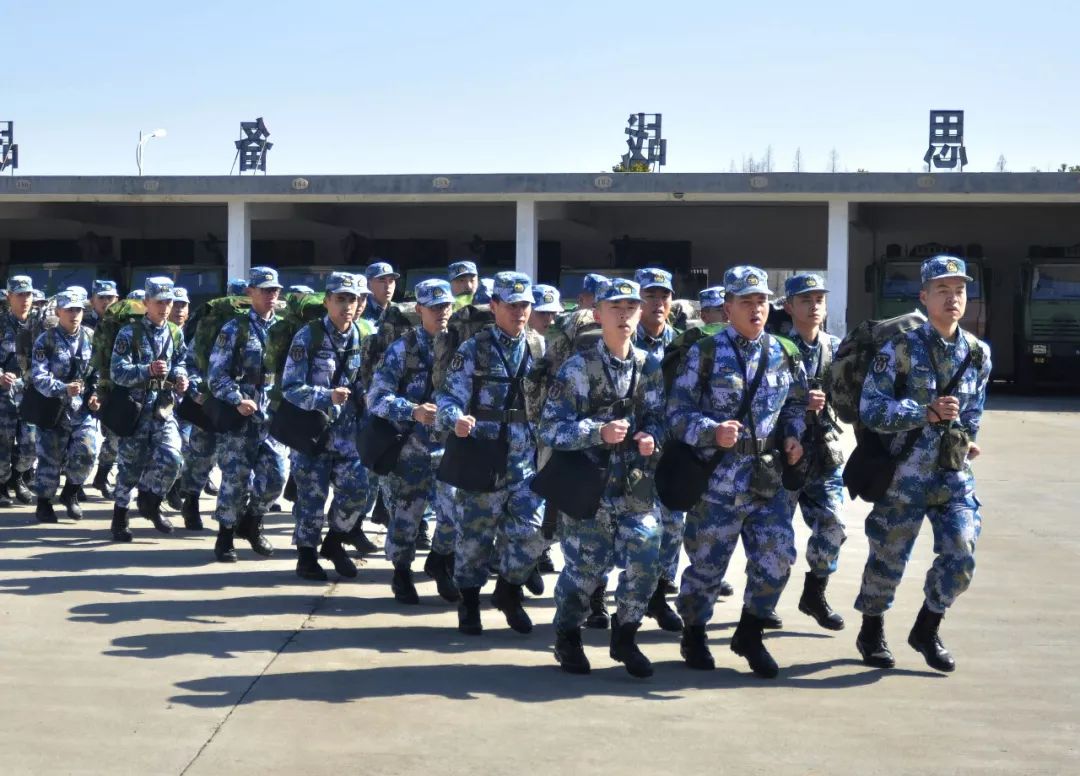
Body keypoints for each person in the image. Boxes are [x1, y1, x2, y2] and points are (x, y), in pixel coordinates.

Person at [667, 265, 808, 678]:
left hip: (767, 479)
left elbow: (795, 404)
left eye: (762, 301)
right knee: (707, 567)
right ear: (727, 307)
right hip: (717, 482)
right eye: (746, 301)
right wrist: (711, 431)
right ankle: (694, 631)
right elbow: (676, 413)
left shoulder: (782, 351)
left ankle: (749, 633)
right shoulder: (706, 352)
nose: (755, 309)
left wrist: (794, 435)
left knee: (777, 559)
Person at [854, 255, 991, 673]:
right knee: (888, 557)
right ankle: (872, 628)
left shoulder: (978, 353)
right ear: (924, 296)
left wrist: (967, 441)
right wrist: (922, 413)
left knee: (962, 550)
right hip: (903, 476)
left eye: (960, 290)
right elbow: (871, 409)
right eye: (943, 291)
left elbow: (972, 413)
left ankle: (928, 626)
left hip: (951, 476)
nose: (953, 298)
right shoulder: (900, 348)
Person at [541, 278, 666, 677]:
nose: (625, 315)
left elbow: (660, 419)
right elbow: (551, 428)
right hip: (588, 486)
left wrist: (652, 437)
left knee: (647, 558)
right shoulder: (579, 368)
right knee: (585, 571)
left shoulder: (649, 365)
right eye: (616, 308)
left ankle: (625, 635)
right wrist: (598, 432)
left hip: (633, 486)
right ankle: (567, 636)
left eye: (632, 307)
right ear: (598, 315)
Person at [436, 271, 547, 636]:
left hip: (525, 461)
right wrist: (456, 419)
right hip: (481, 456)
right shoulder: (475, 348)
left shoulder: (539, 347)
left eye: (525, 305)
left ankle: (508, 590)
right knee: (475, 539)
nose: (519, 312)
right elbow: (449, 396)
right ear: (494, 306)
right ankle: (469, 601)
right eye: (511, 305)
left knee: (534, 532)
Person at [367, 278, 459, 603]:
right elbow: (376, 398)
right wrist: (412, 410)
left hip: (448, 450)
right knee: (406, 519)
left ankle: (439, 561)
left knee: (454, 513)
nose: (441, 312)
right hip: (409, 451)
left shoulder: (460, 348)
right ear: (419, 309)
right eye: (434, 307)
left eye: (446, 305)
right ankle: (402, 573)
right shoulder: (402, 349)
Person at [281, 271, 373, 580]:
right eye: (340, 299)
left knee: (358, 492)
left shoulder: (364, 334)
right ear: (327, 301)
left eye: (353, 299)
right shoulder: (309, 337)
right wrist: (326, 396)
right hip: (313, 434)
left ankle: (334, 542)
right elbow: (290, 387)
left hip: (350, 436)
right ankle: (306, 557)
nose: (348, 305)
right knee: (311, 500)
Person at [778, 274, 847, 630]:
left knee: (834, 524)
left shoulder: (835, 348)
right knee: (775, 537)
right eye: (806, 299)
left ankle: (814, 593)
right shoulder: (775, 348)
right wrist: (798, 402)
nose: (815, 305)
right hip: (783, 456)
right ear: (789, 306)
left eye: (819, 298)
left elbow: (850, 398)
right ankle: (764, 602)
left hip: (824, 454)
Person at [208, 266, 287, 563]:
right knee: (235, 480)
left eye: (275, 290)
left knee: (277, 476)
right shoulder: (234, 329)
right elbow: (216, 376)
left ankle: (252, 523)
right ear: (250, 292)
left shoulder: (282, 328)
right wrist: (237, 398)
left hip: (271, 417)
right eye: (265, 290)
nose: (271, 295)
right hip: (241, 418)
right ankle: (225, 536)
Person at [109, 277, 189, 541]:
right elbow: (117, 371)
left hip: (163, 409)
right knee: (130, 466)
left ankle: (150, 501)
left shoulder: (175, 332)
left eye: (169, 302)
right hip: (136, 409)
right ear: (146, 303)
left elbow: (181, 362)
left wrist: (181, 377)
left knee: (173, 457)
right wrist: (147, 370)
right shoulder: (130, 333)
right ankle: (120, 516)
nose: (165, 307)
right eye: (159, 302)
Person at [632, 267, 685, 632]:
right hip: (629, 449)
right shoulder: (620, 338)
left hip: (672, 451)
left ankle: (658, 596)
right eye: (650, 296)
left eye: (664, 295)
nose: (658, 303)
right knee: (619, 523)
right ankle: (598, 595)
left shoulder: (684, 344)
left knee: (672, 525)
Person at [30, 288, 99, 522]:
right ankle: (44, 503)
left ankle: (70, 493)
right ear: (59, 311)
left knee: (88, 452)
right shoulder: (45, 340)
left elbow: (98, 372)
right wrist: (63, 388)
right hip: (53, 409)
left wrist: (96, 393)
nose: (74, 314)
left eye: (78, 309)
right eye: (69, 309)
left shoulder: (90, 336)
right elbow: (39, 377)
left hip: (81, 410)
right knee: (50, 459)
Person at [0, 275, 41, 508]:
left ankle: (19, 477)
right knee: (3, 444)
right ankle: (2, 485)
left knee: (32, 444)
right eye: (19, 295)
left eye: (28, 294)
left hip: (31, 394)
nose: (25, 299)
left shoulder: (41, 324)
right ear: (9, 297)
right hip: (4, 395)